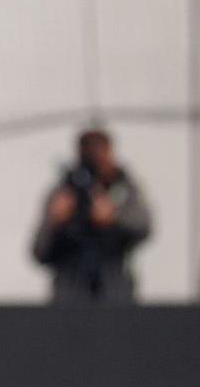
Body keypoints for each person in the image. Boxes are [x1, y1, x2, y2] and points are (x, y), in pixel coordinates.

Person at [32, 129, 152, 305]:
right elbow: (39, 251)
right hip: (69, 296)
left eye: (100, 150)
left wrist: (114, 217)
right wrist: (55, 221)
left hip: (115, 293)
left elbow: (143, 225)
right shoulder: (65, 192)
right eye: (89, 150)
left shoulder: (123, 189)